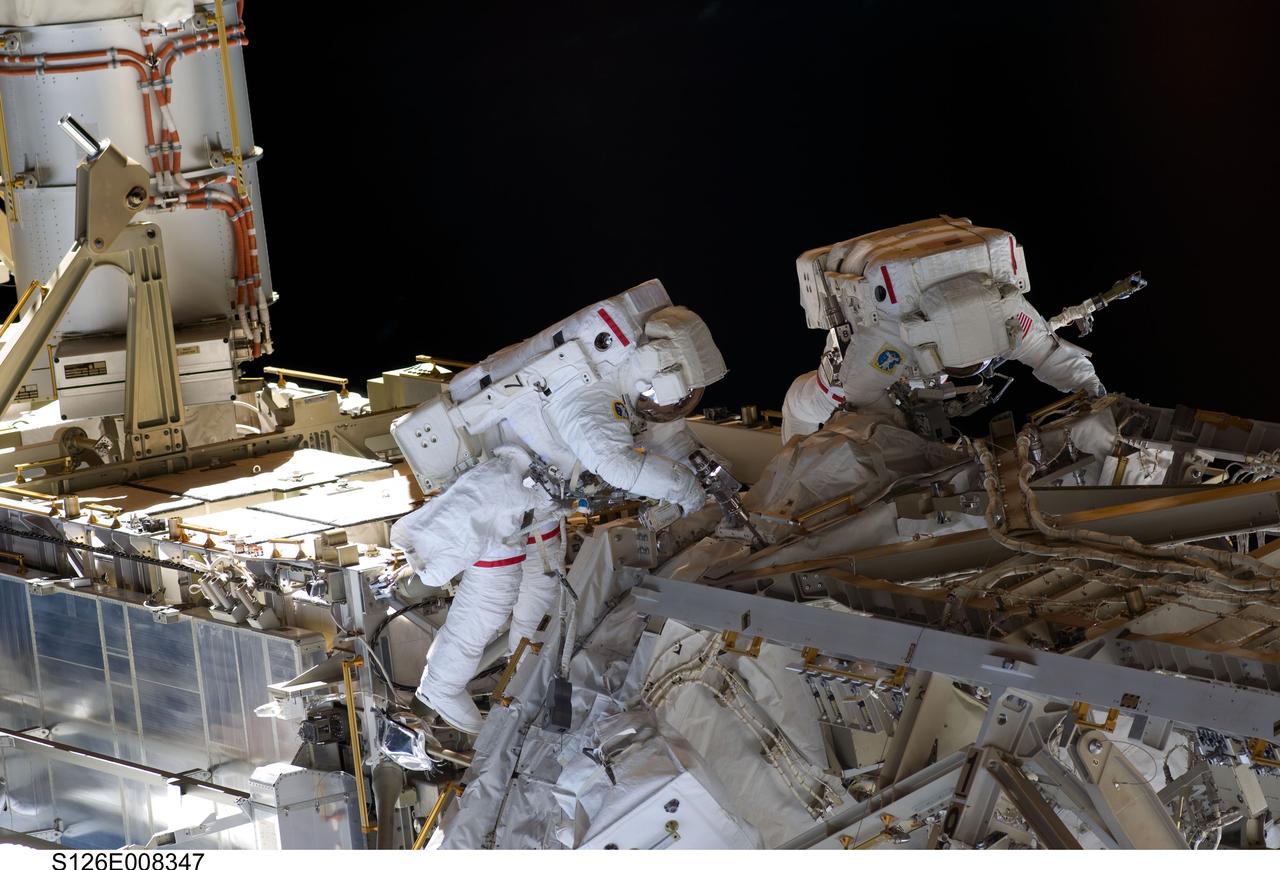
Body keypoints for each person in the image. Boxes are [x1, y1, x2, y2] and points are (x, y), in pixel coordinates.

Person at [389, 281, 726, 733]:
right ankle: (441, 684)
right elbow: (617, 466)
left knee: (543, 591)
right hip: (504, 493)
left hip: (541, 499)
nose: (668, 409)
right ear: (647, 377)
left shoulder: (619, 382)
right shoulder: (585, 397)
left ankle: (521, 668)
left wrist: (713, 480)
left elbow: (669, 437)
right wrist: (686, 491)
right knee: (492, 597)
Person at [782, 217, 1104, 442]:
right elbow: (860, 393)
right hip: (863, 350)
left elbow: (1050, 355)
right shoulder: (894, 338)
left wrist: (1094, 391)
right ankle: (792, 461)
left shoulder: (1009, 317)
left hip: (921, 357)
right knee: (809, 403)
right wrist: (902, 429)